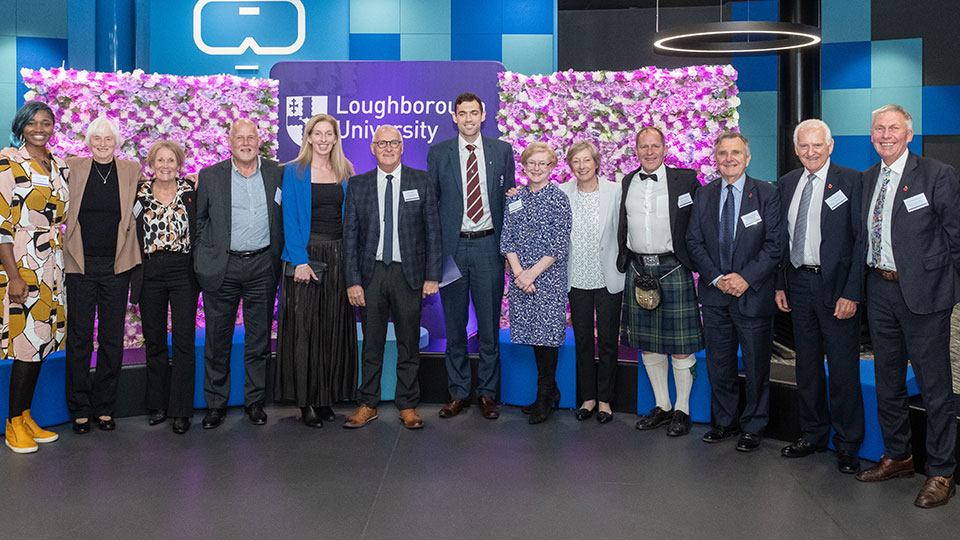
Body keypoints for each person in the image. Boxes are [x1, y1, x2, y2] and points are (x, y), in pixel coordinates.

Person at [855, 104, 959, 509]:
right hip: (880, 291)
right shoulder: (867, 179)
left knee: (935, 388)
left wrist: (951, 290)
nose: (885, 134)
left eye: (893, 128)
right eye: (878, 128)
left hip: (926, 296)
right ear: (871, 136)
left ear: (908, 134)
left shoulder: (936, 175)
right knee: (888, 381)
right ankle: (899, 456)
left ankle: (941, 471)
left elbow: (956, 237)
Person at [775, 119, 865, 474]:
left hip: (838, 288)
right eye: (804, 146)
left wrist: (852, 292)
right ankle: (812, 434)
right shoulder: (787, 183)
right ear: (796, 149)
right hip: (798, 283)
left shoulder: (852, 181)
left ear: (830, 146)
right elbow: (781, 239)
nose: (811, 152)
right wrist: (780, 283)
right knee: (806, 365)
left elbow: (861, 243)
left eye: (817, 145)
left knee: (843, 369)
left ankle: (847, 444)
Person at [686, 131, 782, 452]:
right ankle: (724, 421)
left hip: (752, 295)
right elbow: (694, 242)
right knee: (719, 363)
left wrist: (744, 278)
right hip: (715, 295)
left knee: (756, 366)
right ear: (716, 157)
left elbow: (774, 245)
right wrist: (716, 278)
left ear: (747, 157)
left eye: (736, 153)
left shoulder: (767, 194)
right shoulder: (704, 195)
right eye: (723, 153)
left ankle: (754, 425)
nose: (729, 158)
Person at [342, 125, 441, 430]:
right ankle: (368, 403)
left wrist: (432, 276)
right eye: (381, 143)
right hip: (370, 274)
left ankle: (408, 404)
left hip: (407, 273)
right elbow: (350, 237)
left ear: (402, 147)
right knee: (371, 343)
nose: (387, 148)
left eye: (393, 143)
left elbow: (433, 233)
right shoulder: (357, 184)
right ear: (372, 148)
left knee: (408, 342)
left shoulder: (421, 180)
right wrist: (353, 280)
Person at [428, 92, 516, 420]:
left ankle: (487, 394)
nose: (468, 118)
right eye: (462, 113)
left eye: (473, 113)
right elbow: (431, 208)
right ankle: (458, 392)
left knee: (490, 325)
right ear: (454, 116)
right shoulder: (438, 154)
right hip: (453, 250)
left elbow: (510, 200)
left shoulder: (501, 151)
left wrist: (511, 250)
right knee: (455, 325)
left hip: (488, 247)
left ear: (483, 115)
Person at [194, 119, 283, 429]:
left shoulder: (276, 173)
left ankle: (254, 402)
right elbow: (200, 220)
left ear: (259, 141)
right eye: (239, 138)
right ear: (229, 142)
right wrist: (207, 256)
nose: (246, 142)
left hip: (263, 266)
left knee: (259, 340)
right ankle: (215, 404)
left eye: (251, 137)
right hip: (224, 267)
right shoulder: (210, 176)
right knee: (217, 339)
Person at [619, 126, 704, 437]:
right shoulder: (628, 181)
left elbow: (701, 219)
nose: (649, 152)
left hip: (673, 268)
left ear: (665, 149)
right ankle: (662, 405)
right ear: (636, 149)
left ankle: (683, 409)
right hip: (639, 270)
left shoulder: (686, 180)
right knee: (648, 346)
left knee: (681, 347)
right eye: (644, 146)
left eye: (655, 146)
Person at [275, 114, 358, 428]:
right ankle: (305, 401)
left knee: (330, 329)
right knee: (304, 331)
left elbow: (350, 220)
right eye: (317, 133)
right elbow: (290, 220)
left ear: (336, 138)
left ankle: (325, 398)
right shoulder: (294, 172)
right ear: (307, 137)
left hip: (338, 255)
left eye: (329, 134)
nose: (323, 139)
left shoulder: (345, 171)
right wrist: (299, 261)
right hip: (306, 256)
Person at [63, 116, 142, 434]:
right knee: (80, 339)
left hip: (116, 267)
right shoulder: (73, 167)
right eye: (97, 138)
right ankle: (80, 408)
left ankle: (105, 407)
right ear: (89, 141)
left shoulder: (130, 170)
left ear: (117, 141)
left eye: (108, 138)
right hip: (80, 266)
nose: (103, 143)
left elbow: (145, 197)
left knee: (112, 340)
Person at [1, 102, 67, 452]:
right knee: (26, 345)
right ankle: (12, 424)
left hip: (52, 266)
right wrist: (13, 276)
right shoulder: (8, 162)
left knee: (41, 343)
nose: (39, 128)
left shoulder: (57, 164)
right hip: (23, 264)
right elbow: (1, 227)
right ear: (21, 126)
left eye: (46, 122)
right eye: (32, 123)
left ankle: (26, 416)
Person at [129, 141, 199, 434]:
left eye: (172, 160)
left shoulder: (191, 191)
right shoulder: (139, 193)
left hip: (183, 271)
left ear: (179, 164)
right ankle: (157, 404)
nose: (166, 165)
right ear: (152, 163)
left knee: (183, 340)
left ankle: (181, 409)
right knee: (154, 340)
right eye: (161, 160)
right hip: (150, 271)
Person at [501, 142, 572, 425]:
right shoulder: (515, 199)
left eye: (543, 163)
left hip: (548, 279)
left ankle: (545, 394)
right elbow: (507, 238)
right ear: (525, 165)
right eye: (532, 163)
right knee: (533, 335)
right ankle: (549, 390)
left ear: (552, 167)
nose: (537, 168)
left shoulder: (559, 199)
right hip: (522, 280)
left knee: (547, 337)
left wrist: (531, 275)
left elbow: (558, 243)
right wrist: (520, 273)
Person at [558, 140, 623, 424]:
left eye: (587, 160)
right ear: (570, 166)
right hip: (577, 278)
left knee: (608, 341)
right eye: (576, 161)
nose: (582, 166)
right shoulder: (561, 193)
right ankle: (588, 398)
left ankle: (605, 400)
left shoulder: (615, 191)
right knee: (583, 341)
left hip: (608, 276)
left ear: (597, 163)